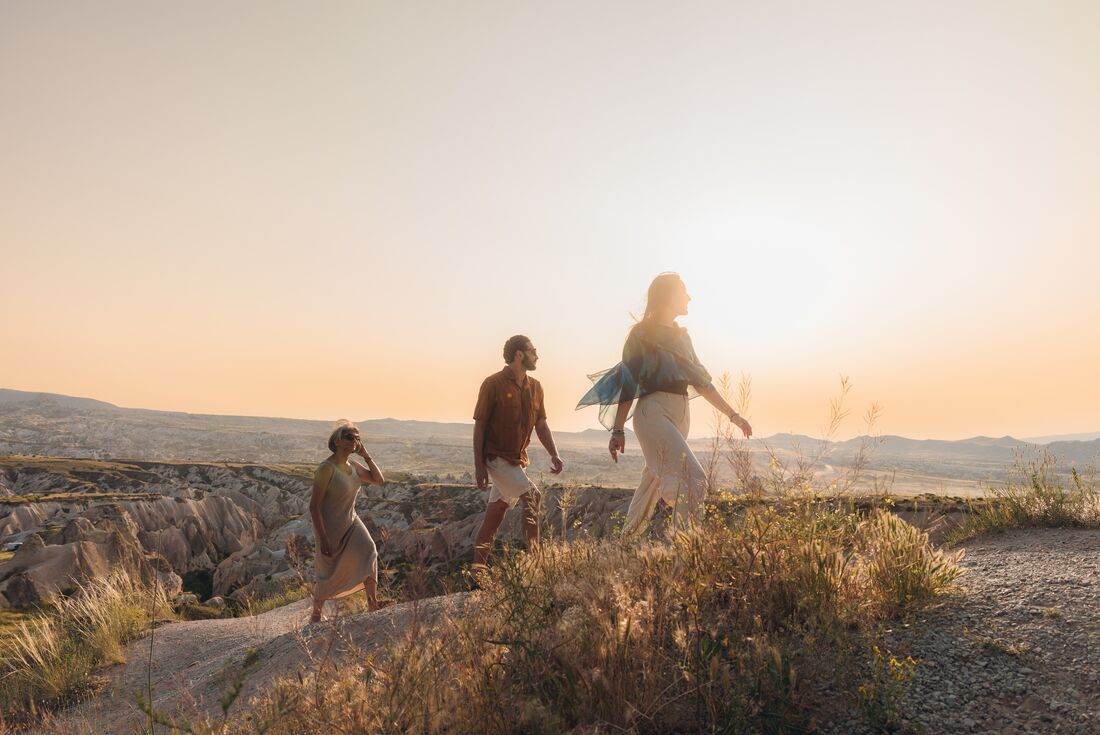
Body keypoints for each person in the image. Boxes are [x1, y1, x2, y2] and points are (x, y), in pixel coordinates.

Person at [576, 273, 753, 538]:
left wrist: (734, 416)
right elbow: (628, 383)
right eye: (684, 291)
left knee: (650, 483)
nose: (689, 297)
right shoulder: (641, 335)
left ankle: (625, 545)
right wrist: (618, 430)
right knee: (694, 479)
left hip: (681, 414)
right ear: (669, 295)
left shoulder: (683, 338)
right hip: (653, 413)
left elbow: (702, 383)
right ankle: (686, 547)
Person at [471, 335, 564, 571]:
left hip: (517, 461)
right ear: (519, 355)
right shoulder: (493, 384)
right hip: (496, 457)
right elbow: (480, 425)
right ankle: (535, 563)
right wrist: (479, 466)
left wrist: (554, 453)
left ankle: (476, 571)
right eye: (533, 351)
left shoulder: (536, 387)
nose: (537, 356)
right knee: (533, 497)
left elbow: (541, 424)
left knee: (495, 514)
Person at [308, 421, 386, 623]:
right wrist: (323, 538)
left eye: (357, 438)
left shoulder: (354, 466)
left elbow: (379, 480)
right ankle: (316, 613)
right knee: (328, 570)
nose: (354, 441)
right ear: (337, 441)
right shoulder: (326, 468)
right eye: (349, 437)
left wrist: (366, 455)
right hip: (330, 527)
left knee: (369, 550)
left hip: (351, 521)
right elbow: (314, 506)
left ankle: (372, 603)